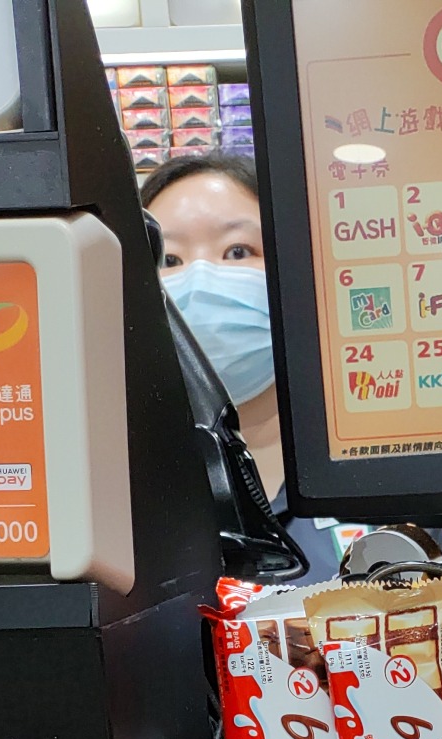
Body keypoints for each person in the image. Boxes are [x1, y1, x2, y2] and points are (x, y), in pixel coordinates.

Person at [141, 152, 355, 585]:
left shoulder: (368, 467)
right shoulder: (124, 494)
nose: (201, 280)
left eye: (238, 251)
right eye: (169, 259)